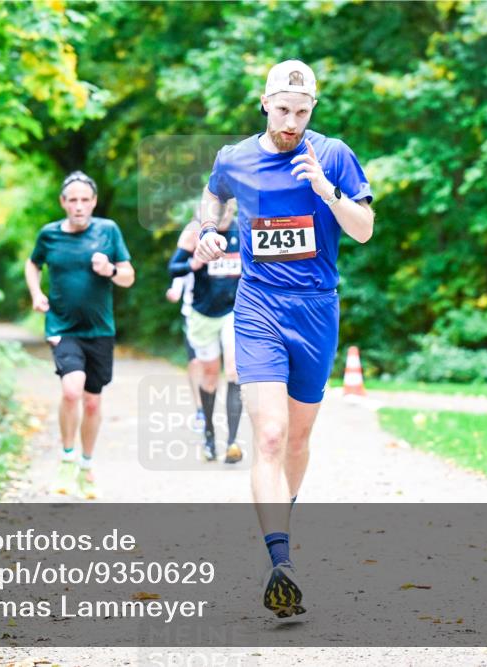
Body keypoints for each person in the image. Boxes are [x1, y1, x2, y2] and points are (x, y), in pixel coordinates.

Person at [194, 60, 375, 617]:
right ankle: (281, 561)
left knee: (297, 440)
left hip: (317, 309)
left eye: (302, 111)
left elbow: (364, 231)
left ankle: (280, 525)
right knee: (269, 436)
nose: (291, 121)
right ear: (265, 104)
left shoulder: (335, 154)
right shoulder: (236, 158)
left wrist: (326, 191)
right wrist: (208, 231)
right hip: (258, 307)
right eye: (283, 110)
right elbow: (212, 195)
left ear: (312, 109)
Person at [24, 171, 135, 499]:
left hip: (100, 329)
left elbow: (128, 276)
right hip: (62, 326)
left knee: (91, 401)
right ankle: (67, 459)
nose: (79, 206)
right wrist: (35, 293)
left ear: (94, 202)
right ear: (63, 203)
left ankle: (87, 466)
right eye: (72, 200)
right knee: (71, 390)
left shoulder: (108, 231)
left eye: (85, 200)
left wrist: (111, 270)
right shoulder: (49, 235)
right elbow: (33, 265)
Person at [169, 201, 243, 463]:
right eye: (221, 211)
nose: (226, 217)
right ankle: (209, 437)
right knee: (210, 375)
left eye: (231, 212)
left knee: (234, 370)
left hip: (234, 312)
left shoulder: (243, 230)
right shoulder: (195, 232)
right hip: (203, 314)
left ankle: (232, 442)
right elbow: (173, 268)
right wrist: (194, 264)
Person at [165, 228, 206, 434]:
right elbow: (179, 275)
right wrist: (174, 291)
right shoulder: (189, 249)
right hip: (192, 313)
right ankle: (200, 410)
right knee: (195, 362)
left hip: (223, 314)